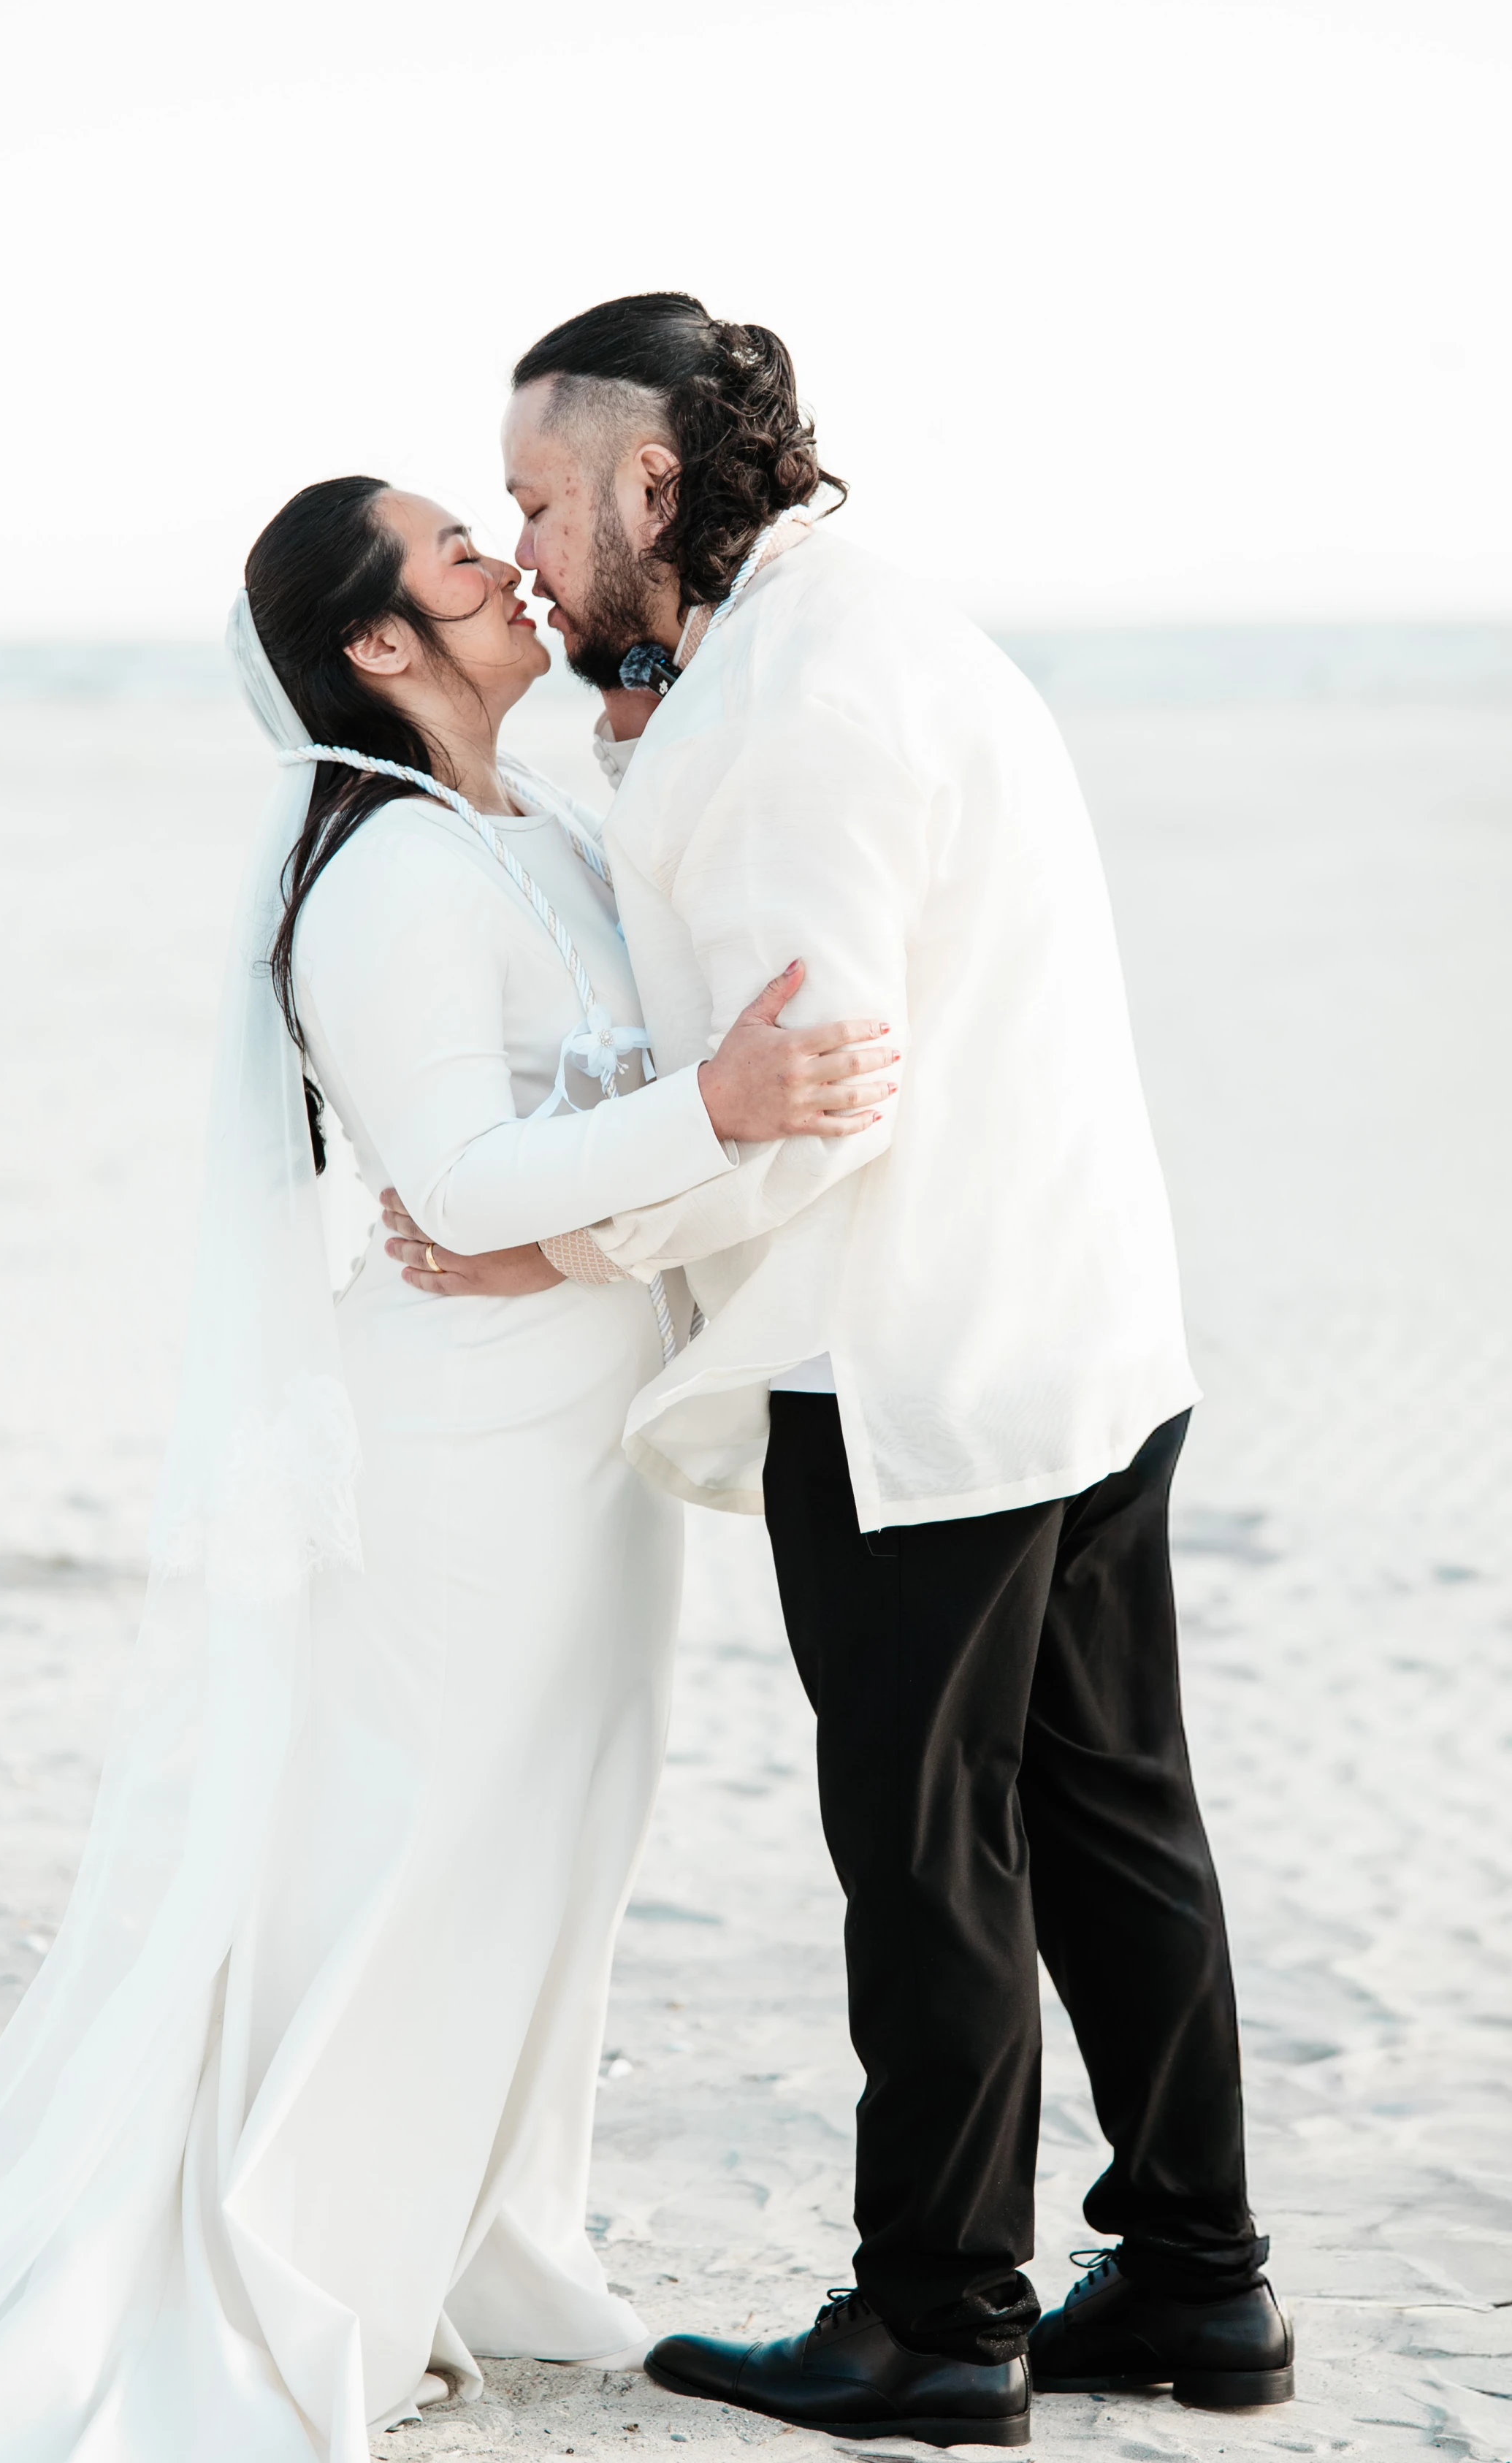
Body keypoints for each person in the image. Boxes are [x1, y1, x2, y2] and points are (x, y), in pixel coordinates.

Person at [0, 476, 893, 2463]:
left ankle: (488, 2242)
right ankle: (317, 2258)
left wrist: (701, 1105)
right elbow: (459, 1182)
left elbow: (587, 1131)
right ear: (381, 646)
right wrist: (718, 1107)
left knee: (560, 1835)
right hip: (462, 1453)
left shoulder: (537, 830)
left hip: (584, 1444)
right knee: (429, 1852)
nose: (506, 560)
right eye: (456, 557)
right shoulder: (390, 872)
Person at [382, 296, 1293, 2448]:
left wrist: (554, 1236)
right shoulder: (862, 629)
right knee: (1113, 1813)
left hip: (904, 1361)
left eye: (533, 496)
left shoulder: (789, 706)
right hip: (1077, 1321)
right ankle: (1197, 2281)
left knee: (928, 1844)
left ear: (652, 485)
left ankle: (939, 2320)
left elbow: (814, 1093)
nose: (522, 541)